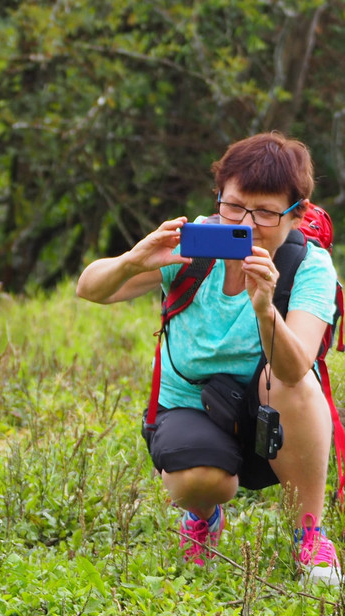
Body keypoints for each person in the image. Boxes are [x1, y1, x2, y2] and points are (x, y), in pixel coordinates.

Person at [77, 132, 341, 583]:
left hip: (279, 420)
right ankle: (203, 515)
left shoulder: (309, 267)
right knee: (199, 480)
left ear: (297, 215)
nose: (246, 222)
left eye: (266, 211)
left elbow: (295, 369)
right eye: (234, 205)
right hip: (194, 406)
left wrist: (265, 308)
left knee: (283, 379)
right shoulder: (194, 246)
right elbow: (91, 289)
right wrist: (135, 260)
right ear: (218, 197)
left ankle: (310, 534)